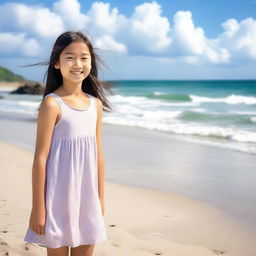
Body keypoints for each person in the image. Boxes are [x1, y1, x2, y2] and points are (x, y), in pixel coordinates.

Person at [23, 30, 114, 256]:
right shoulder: (52, 104)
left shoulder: (96, 105)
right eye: (69, 57)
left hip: (87, 196)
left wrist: (100, 198)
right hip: (57, 199)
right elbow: (40, 158)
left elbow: (98, 154)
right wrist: (38, 207)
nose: (77, 63)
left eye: (84, 57)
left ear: (91, 62)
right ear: (57, 63)